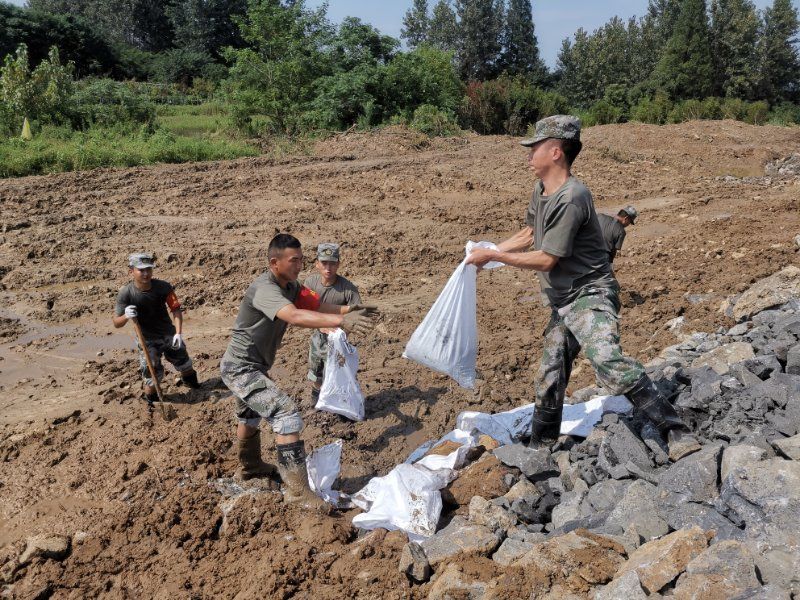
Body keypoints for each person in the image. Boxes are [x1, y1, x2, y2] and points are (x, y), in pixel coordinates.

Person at [465, 115, 692, 455]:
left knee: (606, 361)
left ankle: (676, 430)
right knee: (551, 370)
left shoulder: (573, 196)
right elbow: (530, 235)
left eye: (534, 148)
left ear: (556, 152)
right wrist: (490, 253)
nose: (528, 155)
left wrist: (494, 258)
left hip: (590, 294)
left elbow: (546, 259)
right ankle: (541, 447)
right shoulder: (541, 191)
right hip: (563, 298)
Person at [220, 233, 377, 512]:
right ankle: (298, 493)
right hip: (240, 368)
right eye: (294, 261)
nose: (299, 266)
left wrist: (352, 309)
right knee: (287, 415)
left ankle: (250, 467)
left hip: (253, 366)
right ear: (274, 262)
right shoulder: (266, 289)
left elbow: (315, 305)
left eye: (302, 260)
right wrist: (343, 321)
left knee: (249, 414)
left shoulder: (292, 286)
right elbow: (294, 315)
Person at [112, 253, 200, 408]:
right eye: (141, 270)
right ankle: (152, 402)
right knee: (152, 374)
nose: (146, 274)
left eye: (148, 269)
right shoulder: (126, 293)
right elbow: (116, 323)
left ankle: (195, 388)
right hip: (147, 340)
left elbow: (176, 310)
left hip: (169, 334)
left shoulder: (163, 287)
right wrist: (126, 316)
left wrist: (178, 333)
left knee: (184, 363)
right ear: (131, 270)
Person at [304, 243, 362, 403]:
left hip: (339, 340)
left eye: (332, 263)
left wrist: (342, 331)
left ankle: (342, 405)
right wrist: (321, 325)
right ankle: (317, 399)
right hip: (318, 337)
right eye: (324, 263)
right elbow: (304, 310)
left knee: (341, 373)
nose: (328, 268)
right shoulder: (311, 284)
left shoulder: (348, 289)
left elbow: (357, 313)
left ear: (338, 264)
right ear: (317, 263)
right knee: (316, 372)